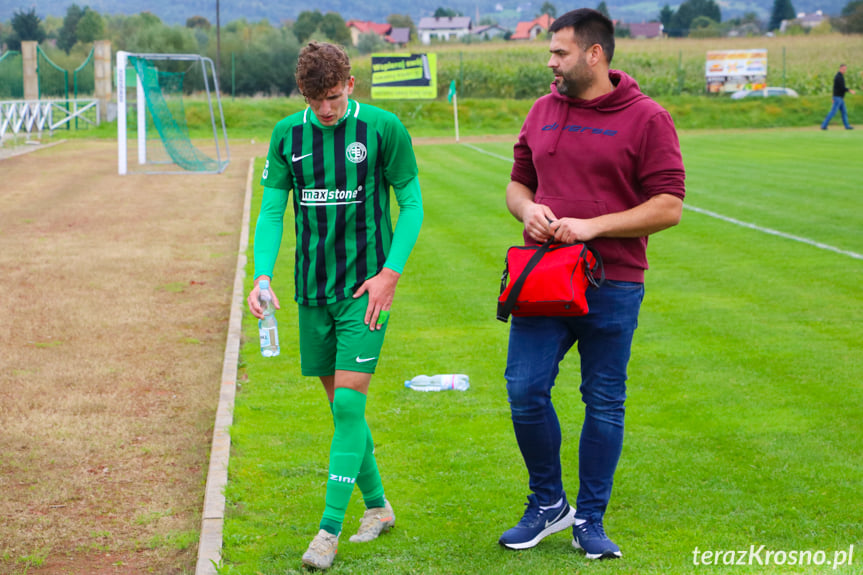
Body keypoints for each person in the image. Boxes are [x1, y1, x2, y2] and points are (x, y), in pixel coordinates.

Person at [498, 9, 685, 560]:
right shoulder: (541, 110)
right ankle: (549, 504)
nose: (550, 61)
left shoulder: (648, 118)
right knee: (524, 390)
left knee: (604, 400)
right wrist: (527, 210)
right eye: (550, 51)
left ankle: (591, 520)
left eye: (559, 52)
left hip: (614, 282)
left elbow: (669, 206)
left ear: (594, 54)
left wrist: (592, 227)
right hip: (544, 277)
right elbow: (517, 182)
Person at [247, 41, 423, 570]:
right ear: (303, 94)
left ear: (350, 83)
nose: (327, 108)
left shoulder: (383, 129)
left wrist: (389, 275)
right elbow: (272, 212)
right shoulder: (287, 136)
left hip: (366, 293)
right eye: (315, 98)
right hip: (312, 292)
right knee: (342, 410)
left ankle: (327, 532)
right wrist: (261, 276)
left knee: (348, 406)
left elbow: (411, 204)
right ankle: (378, 507)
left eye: (334, 95)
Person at [821, 63, 856, 130]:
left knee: (844, 112)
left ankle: (847, 126)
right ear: (840, 69)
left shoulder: (840, 76)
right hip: (838, 98)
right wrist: (850, 90)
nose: (844, 70)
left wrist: (833, 97)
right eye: (843, 69)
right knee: (833, 112)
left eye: (845, 69)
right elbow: (841, 88)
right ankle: (824, 125)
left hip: (840, 98)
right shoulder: (838, 77)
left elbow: (835, 88)